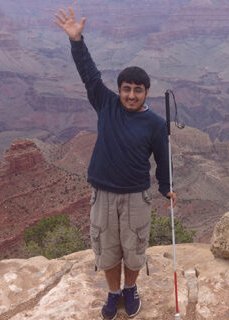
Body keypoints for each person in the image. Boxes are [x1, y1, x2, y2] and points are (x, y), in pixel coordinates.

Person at [53, 7, 177, 320]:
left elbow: (163, 160)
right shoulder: (106, 104)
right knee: (106, 249)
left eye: (137, 90)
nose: (131, 95)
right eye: (126, 89)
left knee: (134, 249)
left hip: (136, 195)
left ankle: (131, 289)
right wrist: (77, 40)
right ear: (119, 90)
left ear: (146, 92)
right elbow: (89, 74)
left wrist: (167, 188)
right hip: (103, 193)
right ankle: (112, 293)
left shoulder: (155, 123)